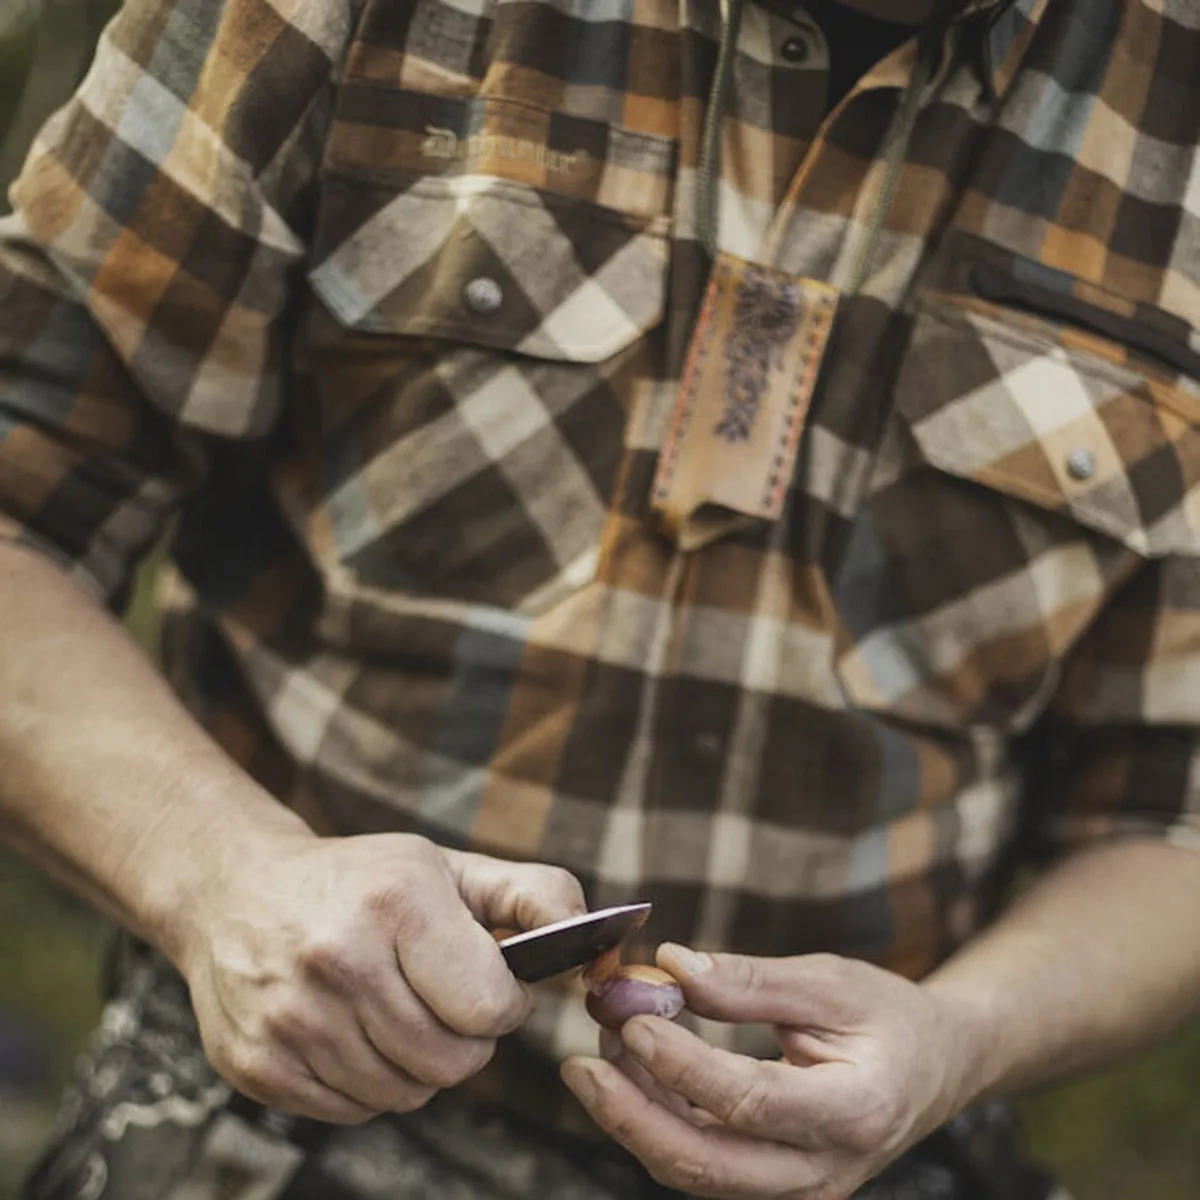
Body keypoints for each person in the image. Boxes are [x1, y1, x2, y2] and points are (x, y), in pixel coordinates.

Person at [2, 0, 1199, 1195]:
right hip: (270, 1142)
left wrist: (963, 1042)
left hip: (876, 1170)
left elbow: (1169, 818)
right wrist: (224, 876)